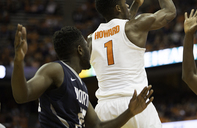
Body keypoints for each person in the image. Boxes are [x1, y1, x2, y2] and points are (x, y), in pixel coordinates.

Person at [88, 0, 176, 128]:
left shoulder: (91, 39)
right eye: (125, 3)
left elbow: (119, 32)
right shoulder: (135, 26)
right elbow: (170, 11)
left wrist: (136, 5)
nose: (129, 5)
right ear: (118, 8)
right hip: (136, 102)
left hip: (104, 110)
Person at [11, 24, 154, 128]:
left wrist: (130, 112)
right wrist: (18, 61)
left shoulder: (81, 86)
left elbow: (98, 126)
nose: (89, 50)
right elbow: (22, 95)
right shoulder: (55, 69)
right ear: (80, 49)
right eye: (86, 46)